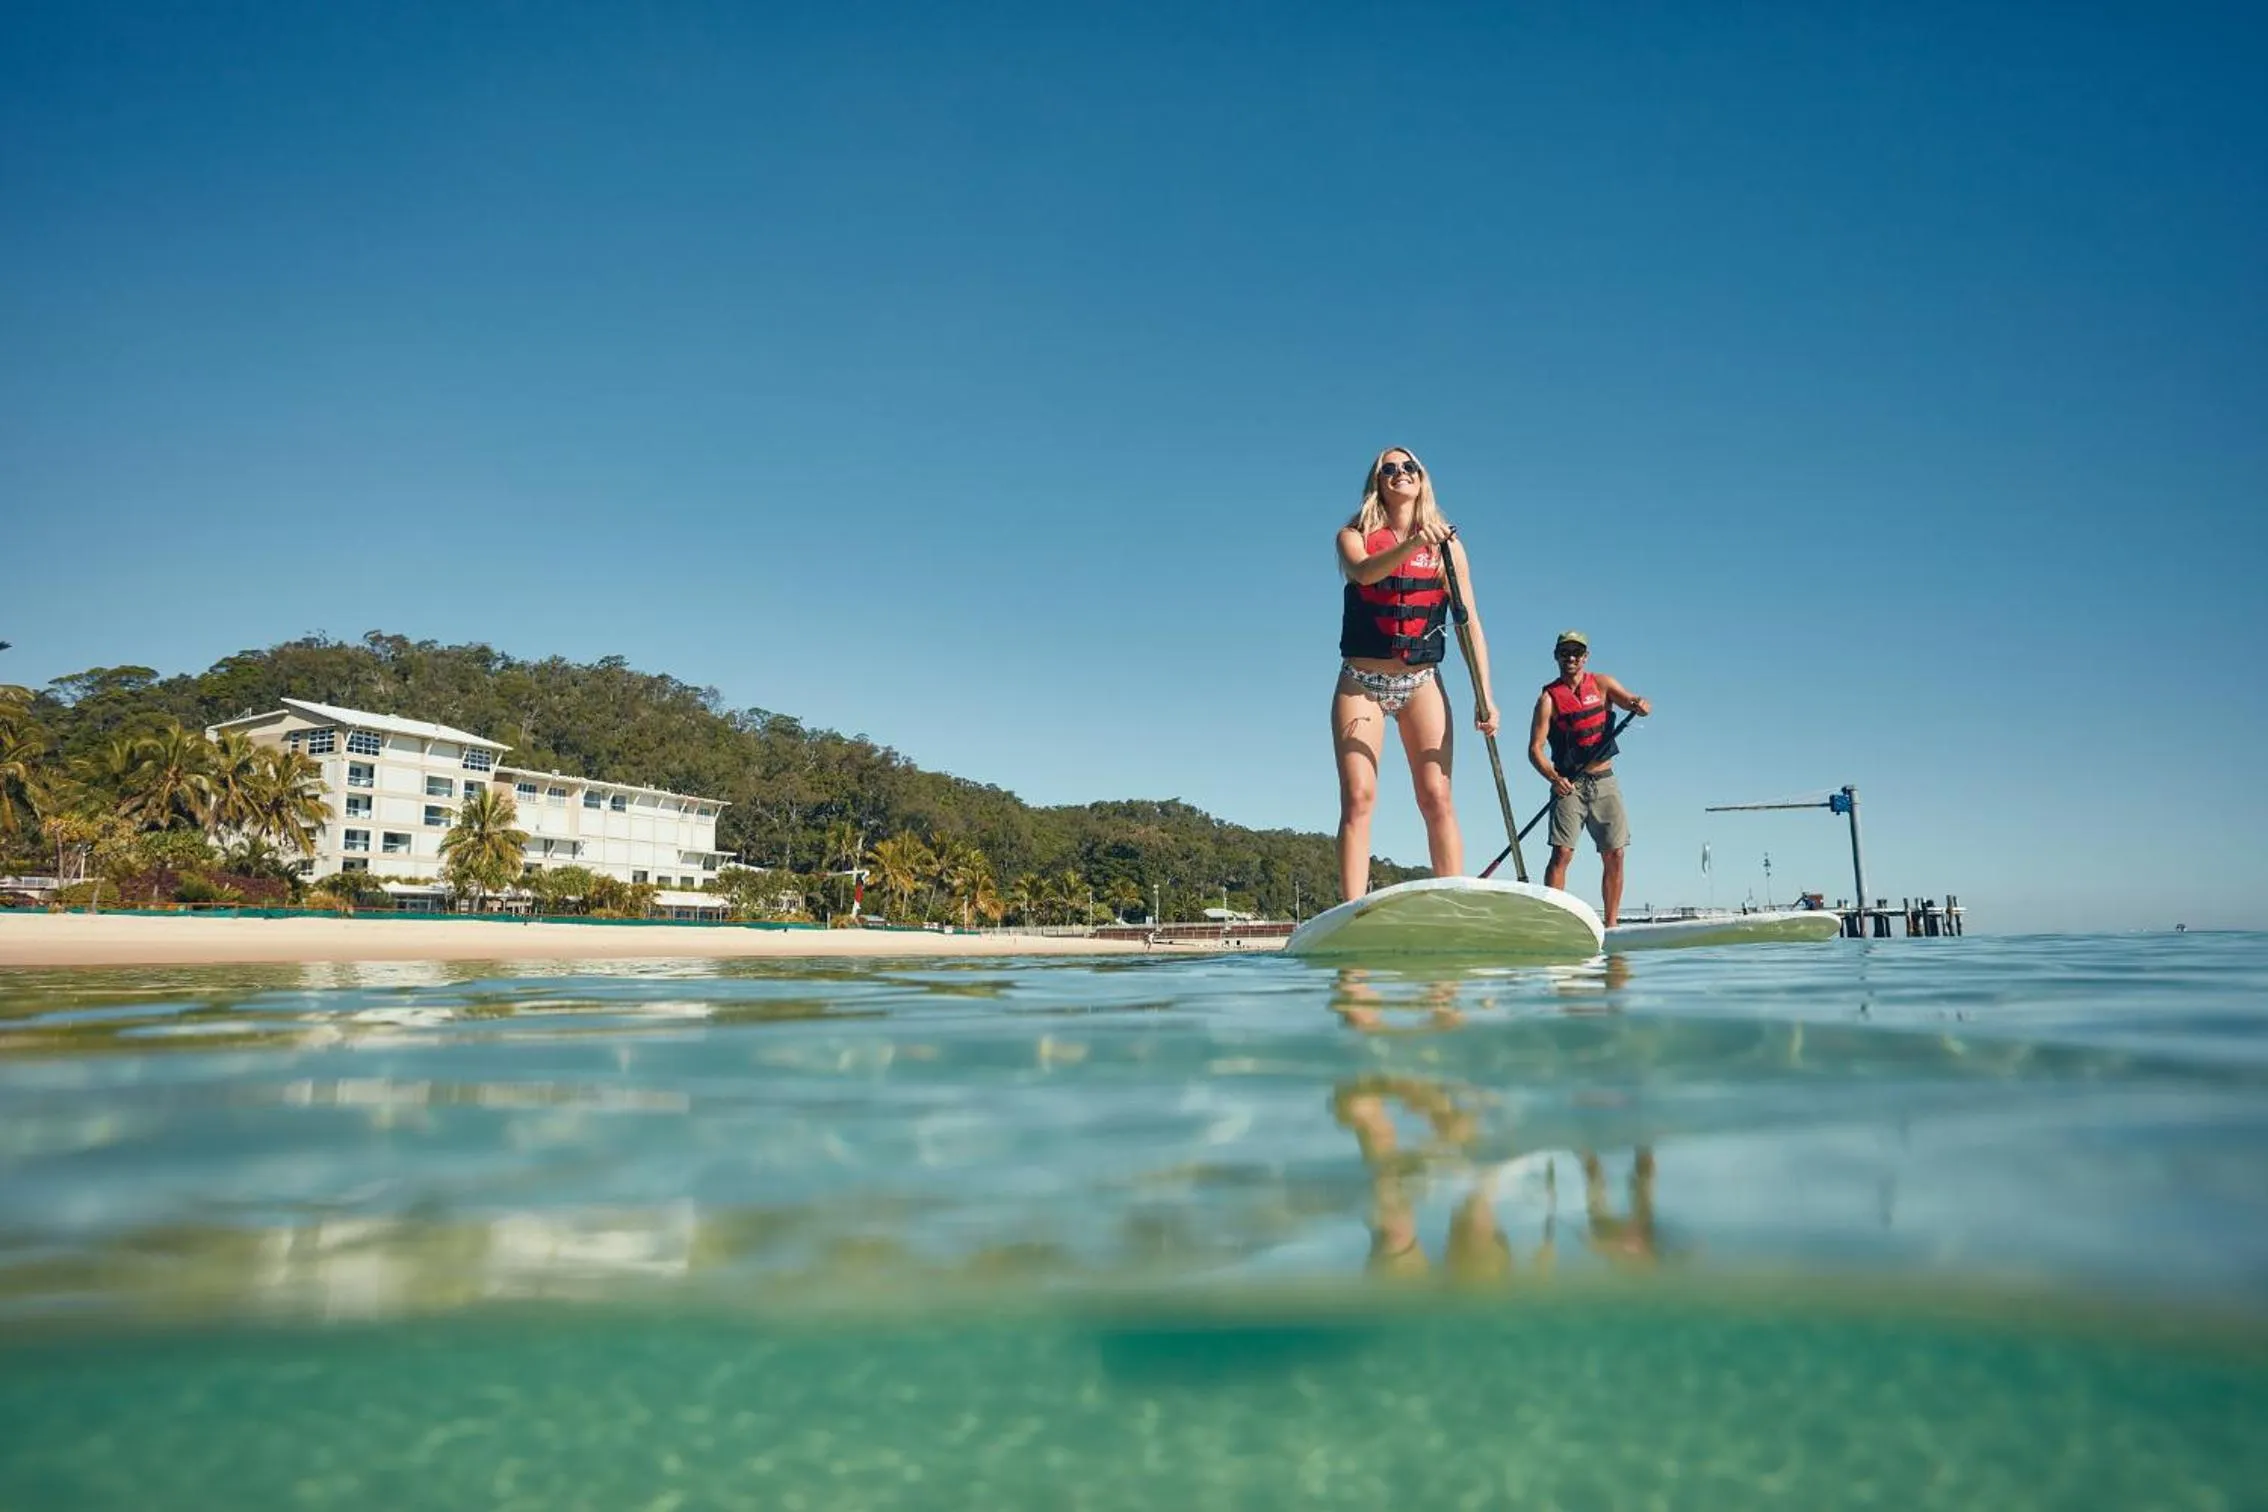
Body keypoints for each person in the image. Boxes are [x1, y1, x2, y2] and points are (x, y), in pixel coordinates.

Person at [1331, 446, 1500, 903]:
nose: (1400, 473)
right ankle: (1351, 911)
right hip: (1361, 683)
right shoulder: (1354, 535)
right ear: (1377, 481)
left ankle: (1452, 902)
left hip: (1421, 681)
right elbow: (1364, 574)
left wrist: (1484, 695)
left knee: (1436, 797)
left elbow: (1469, 623)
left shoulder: (1449, 548)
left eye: (1410, 467)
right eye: (1390, 468)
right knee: (1360, 799)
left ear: (1422, 479)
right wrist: (1414, 544)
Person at [1526, 630, 1650, 926]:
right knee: (1562, 854)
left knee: (1615, 853)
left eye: (1576, 653)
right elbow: (1535, 750)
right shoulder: (1548, 699)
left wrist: (1639, 705)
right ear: (1556, 656)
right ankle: (1552, 921)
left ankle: (1612, 924)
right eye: (1565, 652)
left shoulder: (1603, 684)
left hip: (1605, 781)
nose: (1571, 657)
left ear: (1585, 657)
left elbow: (1631, 701)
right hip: (1569, 785)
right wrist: (1553, 778)